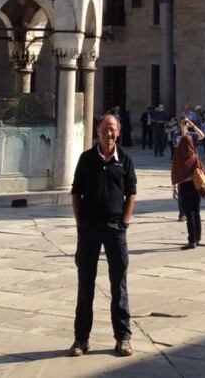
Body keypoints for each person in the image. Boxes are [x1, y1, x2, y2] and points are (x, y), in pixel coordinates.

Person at [69, 115, 136, 358]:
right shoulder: (86, 159)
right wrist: (79, 223)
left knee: (119, 283)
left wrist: (125, 221)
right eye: (105, 129)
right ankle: (81, 339)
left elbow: (132, 193)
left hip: (115, 228)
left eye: (112, 130)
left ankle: (123, 337)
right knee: (85, 283)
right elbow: (76, 192)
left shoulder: (125, 159)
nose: (108, 133)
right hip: (89, 228)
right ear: (98, 131)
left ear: (118, 133)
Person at [171, 117, 205, 250]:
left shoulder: (179, 156)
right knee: (196, 212)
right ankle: (197, 238)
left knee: (189, 213)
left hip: (185, 186)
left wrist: (174, 187)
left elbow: (174, 171)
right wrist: (190, 127)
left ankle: (191, 240)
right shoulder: (193, 154)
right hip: (195, 185)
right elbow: (198, 137)